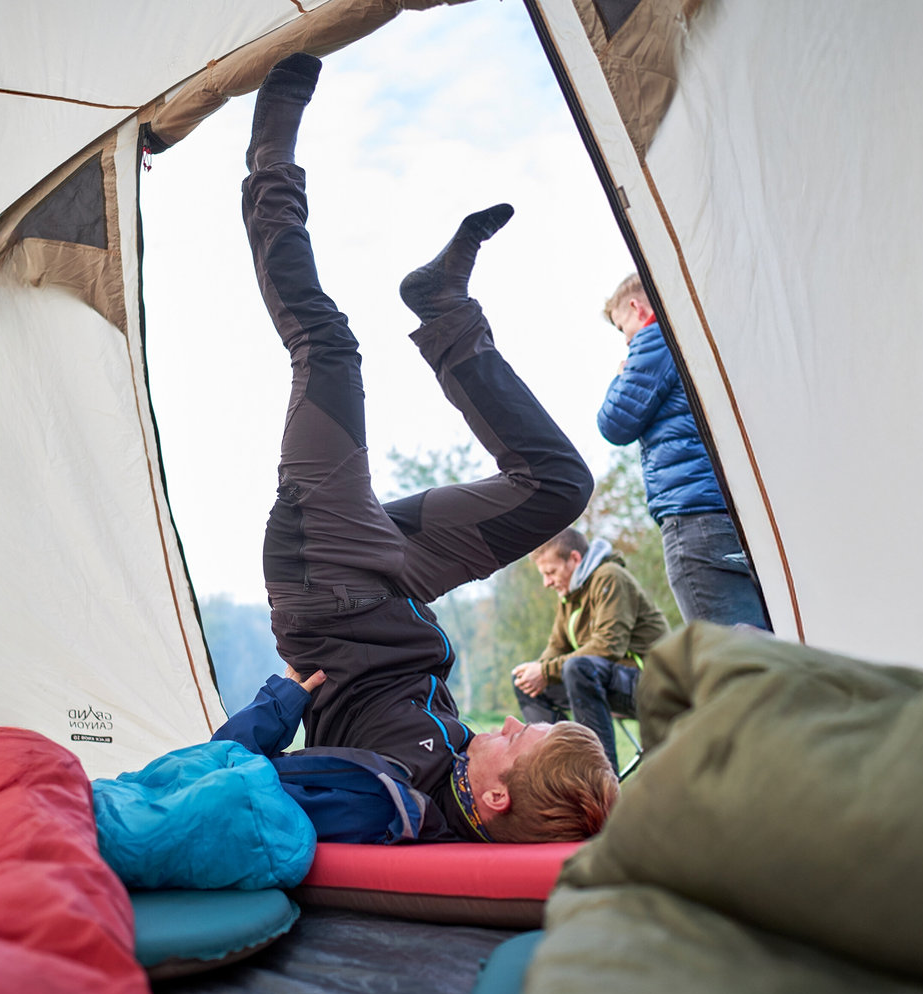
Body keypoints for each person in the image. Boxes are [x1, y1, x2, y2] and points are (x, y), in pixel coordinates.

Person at [218, 52, 617, 844]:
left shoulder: (385, 795)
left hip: (326, 575)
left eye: (517, 737)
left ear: (497, 797)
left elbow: (227, 787)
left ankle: (269, 166)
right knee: (558, 486)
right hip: (401, 582)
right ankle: (442, 309)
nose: (504, 721)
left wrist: (274, 707)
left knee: (325, 348)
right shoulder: (466, 779)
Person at [597, 274, 771, 629]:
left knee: (728, 661)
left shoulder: (655, 337)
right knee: (761, 645)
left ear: (636, 306)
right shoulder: (699, 334)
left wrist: (620, 376)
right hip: (729, 512)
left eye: (621, 327)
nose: (625, 338)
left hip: (692, 519)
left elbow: (614, 423)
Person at [510, 527, 668, 772]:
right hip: (607, 683)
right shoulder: (571, 596)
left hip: (653, 684)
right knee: (524, 682)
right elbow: (555, 647)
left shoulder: (610, 577)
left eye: (550, 572)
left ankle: (600, 777)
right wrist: (537, 671)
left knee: (578, 668)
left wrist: (545, 670)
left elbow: (608, 646)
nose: (546, 583)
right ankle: (559, 773)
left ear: (574, 559)